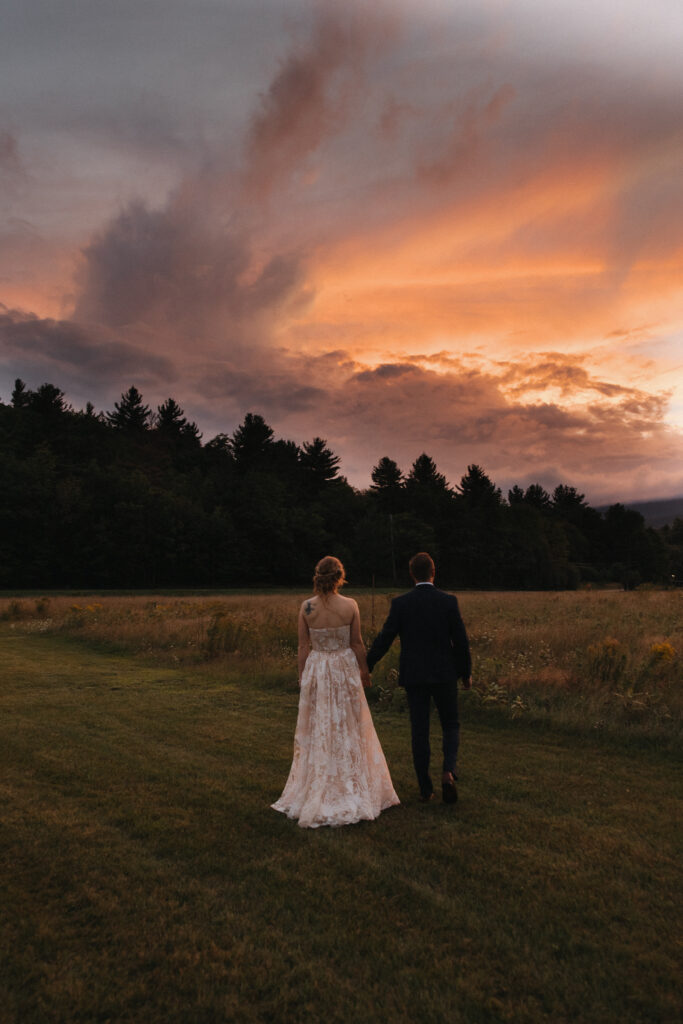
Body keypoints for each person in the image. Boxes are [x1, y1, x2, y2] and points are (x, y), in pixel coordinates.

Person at [272, 555, 399, 828]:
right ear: (340, 577)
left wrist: (302, 676)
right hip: (343, 668)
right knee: (349, 724)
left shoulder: (307, 607)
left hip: (318, 668)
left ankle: (322, 780)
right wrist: (365, 673)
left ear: (317, 577)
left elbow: (303, 647)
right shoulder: (350, 605)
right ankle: (349, 780)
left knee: (320, 724)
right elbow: (357, 643)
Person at [366, 552, 472, 804]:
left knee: (420, 731)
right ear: (433, 572)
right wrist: (465, 673)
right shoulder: (448, 601)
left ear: (412, 574)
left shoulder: (401, 603)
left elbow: (385, 639)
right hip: (445, 674)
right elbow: (461, 642)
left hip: (415, 676)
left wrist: (366, 665)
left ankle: (426, 789)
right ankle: (448, 771)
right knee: (450, 724)